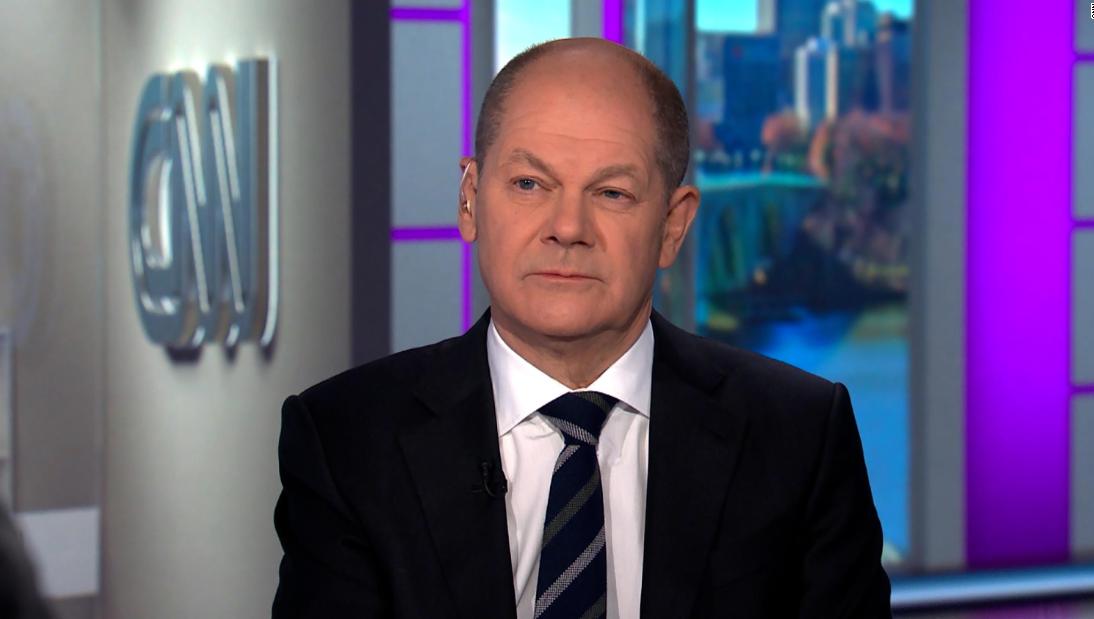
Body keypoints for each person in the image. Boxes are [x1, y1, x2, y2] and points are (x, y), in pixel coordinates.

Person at [273, 37, 891, 618]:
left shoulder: (800, 437)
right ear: (470, 199)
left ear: (673, 226)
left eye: (612, 193)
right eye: (529, 184)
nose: (567, 227)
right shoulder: (346, 442)